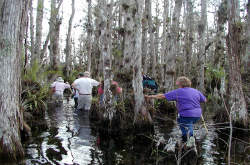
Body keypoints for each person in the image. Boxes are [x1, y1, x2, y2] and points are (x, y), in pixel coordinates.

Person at [145, 76, 206, 147]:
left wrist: (150, 97)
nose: (177, 85)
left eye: (178, 84)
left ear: (181, 84)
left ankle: (188, 140)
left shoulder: (178, 92)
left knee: (184, 124)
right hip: (197, 115)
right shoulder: (196, 91)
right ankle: (190, 139)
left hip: (186, 115)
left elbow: (162, 96)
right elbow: (204, 100)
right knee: (189, 124)